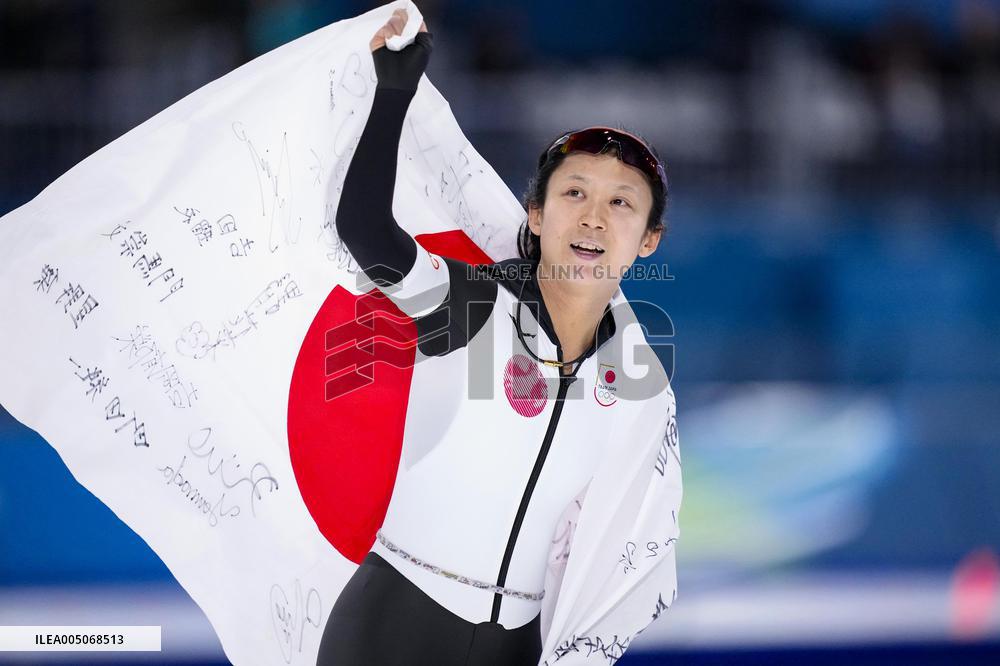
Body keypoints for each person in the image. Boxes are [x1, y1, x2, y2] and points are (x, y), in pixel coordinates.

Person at [316, 8, 676, 666]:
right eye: (574, 193)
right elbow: (366, 230)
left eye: (621, 201)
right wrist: (394, 90)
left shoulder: (638, 385)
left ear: (649, 239)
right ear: (535, 215)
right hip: (392, 627)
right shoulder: (475, 305)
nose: (594, 217)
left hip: (515, 648)